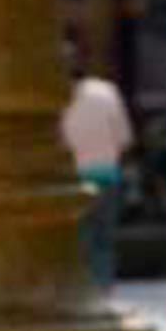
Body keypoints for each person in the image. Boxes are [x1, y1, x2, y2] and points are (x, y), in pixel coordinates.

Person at [61, 65, 135, 289]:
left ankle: (79, 291)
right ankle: (103, 291)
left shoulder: (56, 99)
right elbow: (124, 138)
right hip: (107, 176)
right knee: (104, 241)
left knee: (76, 243)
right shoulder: (107, 91)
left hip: (71, 180)